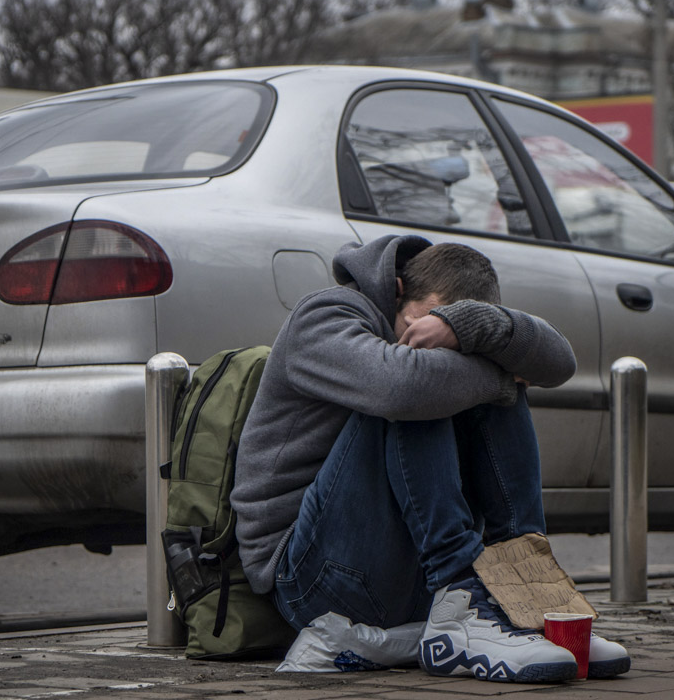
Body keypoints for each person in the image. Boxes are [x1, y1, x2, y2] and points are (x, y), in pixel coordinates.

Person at [231, 234, 629, 683]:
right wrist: (496, 374)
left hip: (412, 574)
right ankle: (459, 604)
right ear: (398, 289)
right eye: (421, 320)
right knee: (420, 383)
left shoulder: (455, 317)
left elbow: (559, 363)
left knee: (455, 376)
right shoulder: (324, 314)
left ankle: (525, 593)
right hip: (312, 578)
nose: (424, 333)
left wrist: (471, 329)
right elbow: (399, 389)